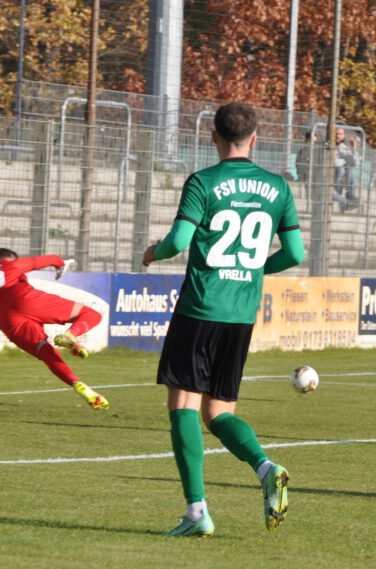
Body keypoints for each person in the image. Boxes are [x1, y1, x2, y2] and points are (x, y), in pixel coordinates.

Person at [143, 102, 305, 538]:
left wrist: (152, 251)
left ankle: (197, 512)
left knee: (183, 408)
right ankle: (265, 466)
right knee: (219, 412)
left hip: (200, 308)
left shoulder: (203, 181)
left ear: (213, 136)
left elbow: (178, 240)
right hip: (240, 315)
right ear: (255, 139)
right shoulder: (278, 187)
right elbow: (295, 254)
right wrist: (253, 270)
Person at [0, 249, 108, 409]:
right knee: (91, 314)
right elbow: (53, 259)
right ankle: (70, 335)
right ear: (9, 259)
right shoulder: (12, 265)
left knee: (45, 352)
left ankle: (76, 382)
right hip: (24, 299)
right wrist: (61, 265)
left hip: (6, 319)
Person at [333, 127, 359, 210]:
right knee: (341, 169)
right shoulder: (327, 145)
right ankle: (348, 201)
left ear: (343, 136)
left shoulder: (343, 147)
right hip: (331, 181)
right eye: (336, 134)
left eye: (340, 134)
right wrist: (344, 161)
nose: (337, 136)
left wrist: (354, 147)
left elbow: (355, 162)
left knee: (349, 168)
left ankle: (350, 194)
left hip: (340, 181)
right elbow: (334, 162)